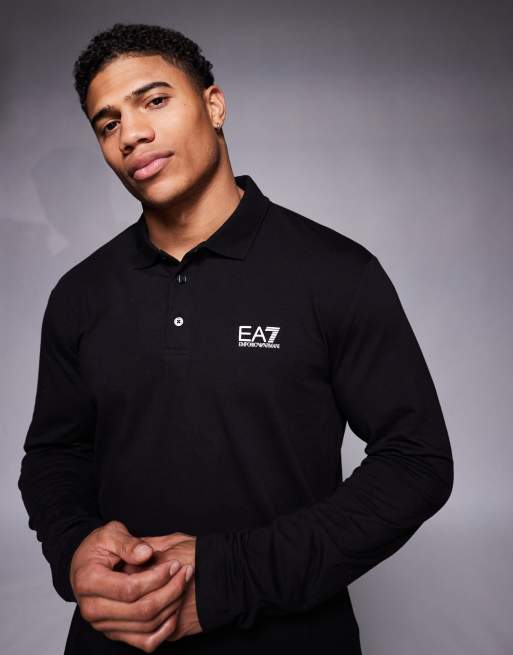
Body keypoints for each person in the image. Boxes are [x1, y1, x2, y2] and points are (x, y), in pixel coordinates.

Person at [18, 22, 454, 655]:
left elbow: (417, 462)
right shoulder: (79, 295)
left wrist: (230, 579)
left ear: (215, 105)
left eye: (154, 100)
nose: (131, 134)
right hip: (118, 638)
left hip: (291, 638)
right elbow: (54, 454)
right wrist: (74, 547)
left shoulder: (335, 273)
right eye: (107, 124)